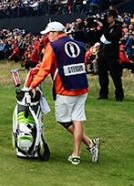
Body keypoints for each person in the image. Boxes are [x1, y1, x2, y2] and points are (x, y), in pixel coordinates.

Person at [28, 21, 99, 165]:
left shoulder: (52, 46)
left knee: (63, 119)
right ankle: (78, 152)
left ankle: (88, 144)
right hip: (81, 86)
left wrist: (33, 84)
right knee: (77, 119)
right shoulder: (79, 44)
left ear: (55, 33)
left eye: (49, 33)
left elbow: (45, 69)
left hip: (65, 88)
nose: (47, 37)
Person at [94, 9, 124, 101]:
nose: (107, 18)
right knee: (102, 75)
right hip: (102, 55)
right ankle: (103, 94)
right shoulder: (105, 28)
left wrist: (104, 27)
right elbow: (96, 37)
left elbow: (110, 38)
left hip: (112, 55)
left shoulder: (118, 29)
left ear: (114, 18)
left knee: (115, 76)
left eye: (110, 16)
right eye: (107, 16)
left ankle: (119, 95)